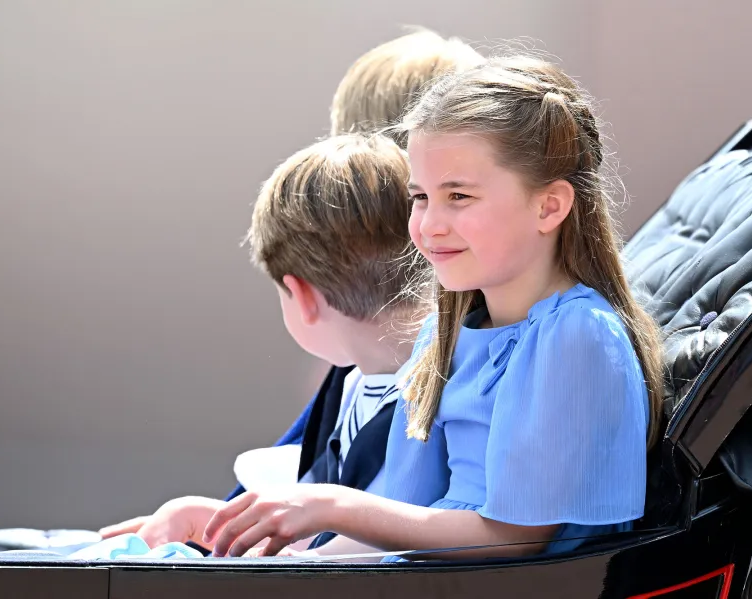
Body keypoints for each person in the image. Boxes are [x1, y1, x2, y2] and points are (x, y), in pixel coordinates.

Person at [201, 54, 665, 562]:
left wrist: (331, 505)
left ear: (549, 205)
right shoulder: (447, 331)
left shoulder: (575, 336)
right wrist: (290, 561)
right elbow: (403, 509)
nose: (428, 225)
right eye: (420, 197)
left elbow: (515, 540)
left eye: (459, 196)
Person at [98, 29, 484, 550]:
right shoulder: (370, 373)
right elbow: (320, 516)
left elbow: (397, 542)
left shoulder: (464, 372)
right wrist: (209, 521)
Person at [99, 133, 423, 554]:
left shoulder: (439, 389)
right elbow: (315, 523)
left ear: (302, 296)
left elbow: (387, 538)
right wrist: (214, 521)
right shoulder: (356, 385)